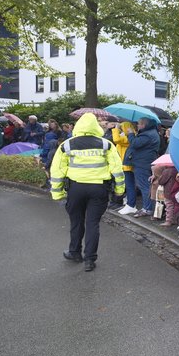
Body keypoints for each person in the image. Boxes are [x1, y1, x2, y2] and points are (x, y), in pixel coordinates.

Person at [50, 113, 125, 272]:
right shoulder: (106, 145)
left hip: (76, 188)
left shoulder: (67, 145)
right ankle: (90, 260)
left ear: (78, 126)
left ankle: (75, 252)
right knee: (93, 223)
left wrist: (57, 193)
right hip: (98, 189)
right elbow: (117, 170)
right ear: (96, 126)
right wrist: (119, 190)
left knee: (76, 221)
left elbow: (57, 170)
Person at [123, 117, 160, 218]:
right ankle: (147, 207)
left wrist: (130, 133)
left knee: (144, 186)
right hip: (144, 162)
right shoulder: (151, 133)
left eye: (139, 124)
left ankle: (147, 209)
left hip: (142, 163)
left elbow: (135, 144)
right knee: (145, 186)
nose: (138, 125)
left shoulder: (147, 135)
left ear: (144, 125)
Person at [112, 121, 135, 212]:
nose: (121, 130)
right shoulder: (125, 137)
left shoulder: (128, 138)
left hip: (126, 165)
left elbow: (116, 140)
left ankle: (131, 204)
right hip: (122, 165)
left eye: (122, 128)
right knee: (127, 185)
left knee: (129, 185)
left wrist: (116, 129)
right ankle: (128, 203)